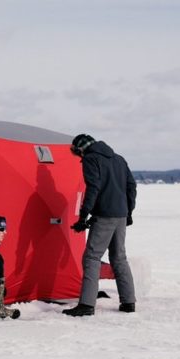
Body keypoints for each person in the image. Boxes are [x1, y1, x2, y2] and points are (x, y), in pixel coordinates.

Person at [64, 134, 137, 317]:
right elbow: (131, 186)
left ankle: (87, 305)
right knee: (119, 258)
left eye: (76, 152)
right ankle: (128, 302)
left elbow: (93, 187)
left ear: (81, 148)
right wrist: (128, 211)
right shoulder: (119, 159)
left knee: (91, 257)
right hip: (120, 215)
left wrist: (83, 216)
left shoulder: (91, 159)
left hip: (104, 215)